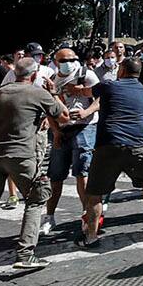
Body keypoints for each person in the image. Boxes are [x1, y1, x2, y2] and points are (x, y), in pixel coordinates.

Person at [0, 57, 62, 276]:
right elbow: (62, 115)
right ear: (35, 75)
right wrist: (53, 92)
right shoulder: (38, 93)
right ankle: (26, 254)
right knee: (36, 199)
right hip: (21, 155)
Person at [85, 56, 143, 243]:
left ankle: (91, 235)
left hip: (108, 145)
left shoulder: (108, 86)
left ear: (121, 70)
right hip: (137, 145)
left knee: (95, 193)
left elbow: (86, 91)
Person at [42, 46, 100, 236]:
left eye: (72, 59)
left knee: (82, 172)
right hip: (62, 130)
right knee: (56, 175)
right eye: (64, 60)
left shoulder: (86, 75)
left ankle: (86, 215)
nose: (69, 63)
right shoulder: (51, 80)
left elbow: (100, 98)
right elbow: (49, 109)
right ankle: (49, 216)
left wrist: (87, 111)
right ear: (56, 61)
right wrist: (56, 132)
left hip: (84, 126)